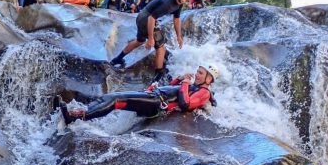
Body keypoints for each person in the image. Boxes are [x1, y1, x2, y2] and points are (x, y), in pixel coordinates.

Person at [59, 65, 219, 124]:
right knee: (113, 99)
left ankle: (77, 116)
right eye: (197, 72)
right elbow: (172, 89)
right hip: (155, 97)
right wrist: (179, 79)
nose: (196, 75)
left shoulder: (204, 93)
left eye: (200, 73)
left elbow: (185, 104)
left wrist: (185, 83)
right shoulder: (195, 86)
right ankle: (77, 114)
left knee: (115, 100)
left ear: (209, 78)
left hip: (156, 102)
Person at [109, 0, 192, 83]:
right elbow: (151, 18)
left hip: (142, 17)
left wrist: (179, 36)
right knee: (160, 47)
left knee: (139, 41)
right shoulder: (168, 3)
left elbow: (177, 19)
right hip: (146, 19)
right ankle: (158, 75)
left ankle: (117, 59)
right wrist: (151, 39)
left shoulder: (179, 3)